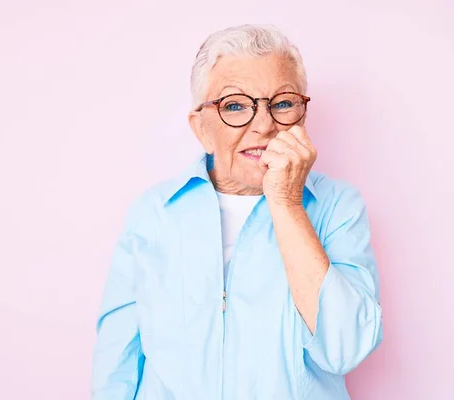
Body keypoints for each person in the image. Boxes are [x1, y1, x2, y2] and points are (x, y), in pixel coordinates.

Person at [92, 24, 383, 400]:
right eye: (234, 106)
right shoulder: (153, 214)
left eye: (282, 103)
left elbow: (347, 347)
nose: (264, 125)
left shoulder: (338, 206)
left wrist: (287, 202)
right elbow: (116, 367)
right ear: (201, 128)